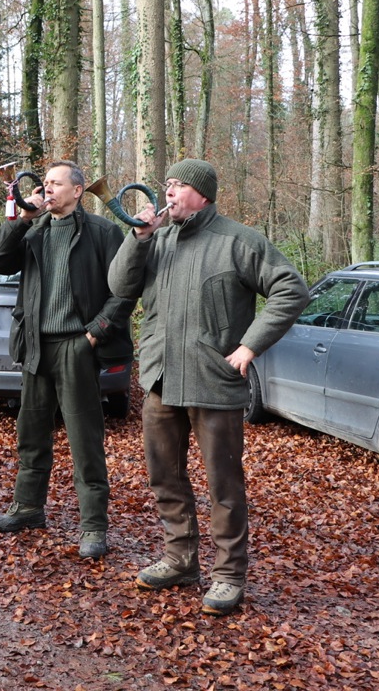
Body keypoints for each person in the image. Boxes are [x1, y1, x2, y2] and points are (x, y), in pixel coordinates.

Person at [108, 158, 308, 615]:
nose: (169, 192)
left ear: (202, 194)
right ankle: (180, 560)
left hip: (213, 382)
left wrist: (250, 344)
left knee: (224, 485)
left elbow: (291, 290)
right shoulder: (156, 239)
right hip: (160, 379)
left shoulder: (239, 241)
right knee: (165, 476)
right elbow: (119, 286)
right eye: (167, 184)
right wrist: (138, 239)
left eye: (178, 185)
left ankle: (228, 575)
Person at [0, 160, 134, 559]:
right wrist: (21, 219)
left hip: (77, 347)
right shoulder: (34, 230)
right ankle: (28, 509)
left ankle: (94, 526)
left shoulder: (102, 232)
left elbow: (125, 289)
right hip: (36, 346)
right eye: (45, 183)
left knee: (85, 441)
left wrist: (95, 333)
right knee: (31, 434)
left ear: (78, 191)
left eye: (55, 183)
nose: (47, 189)